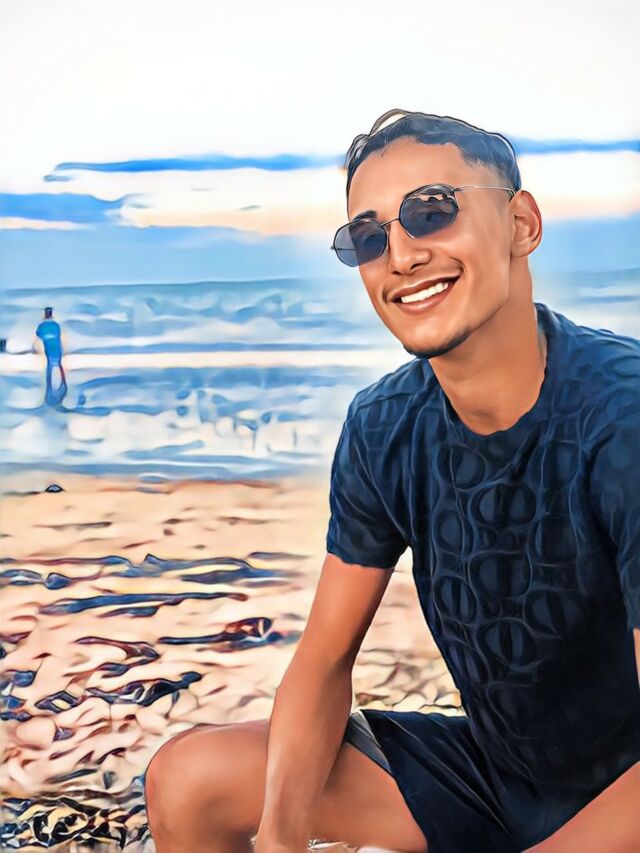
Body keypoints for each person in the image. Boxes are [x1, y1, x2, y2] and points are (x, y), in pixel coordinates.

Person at [143, 110, 640, 853]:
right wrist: (280, 834)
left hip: (627, 795)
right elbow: (324, 660)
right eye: (368, 237)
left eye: (432, 212)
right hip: (499, 777)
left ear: (521, 224)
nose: (401, 255)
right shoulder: (385, 424)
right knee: (190, 780)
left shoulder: (621, 413)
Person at [35, 306, 68, 403]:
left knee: (52, 366)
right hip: (54, 349)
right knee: (56, 364)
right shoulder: (54, 325)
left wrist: (46, 338)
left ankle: (53, 386)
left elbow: (39, 333)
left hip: (51, 349)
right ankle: (59, 384)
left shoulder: (45, 326)